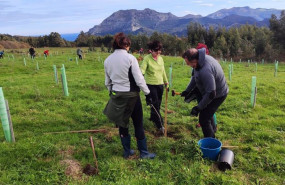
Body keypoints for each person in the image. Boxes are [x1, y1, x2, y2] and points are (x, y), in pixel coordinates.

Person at [103, 32, 156, 159]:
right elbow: (139, 79)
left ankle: (127, 152)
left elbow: (107, 82)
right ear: (126, 46)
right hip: (132, 96)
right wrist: (148, 93)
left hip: (117, 95)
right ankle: (143, 153)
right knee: (138, 123)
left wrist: (112, 92)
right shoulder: (130, 58)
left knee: (122, 123)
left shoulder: (107, 60)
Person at [181, 48, 228, 138]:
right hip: (210, 91)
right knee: (207, 113)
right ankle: (213, 129)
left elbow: (211, 94)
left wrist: (198, 108)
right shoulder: (199, 62)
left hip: (218, 95)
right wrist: (187, 90)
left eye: (188, 63)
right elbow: (195, 77)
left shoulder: (206, 69)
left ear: (194, 60)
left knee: (204, 118)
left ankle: (210, 143)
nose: (187, 65)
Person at [140, 41, 168, 134]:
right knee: (155, 104)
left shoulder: (161, 59)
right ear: (150, 50)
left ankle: (153, 117)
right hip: (150, 85)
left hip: (160, 85)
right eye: (156, 50)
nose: (158, 52)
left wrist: (166, 81)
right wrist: (140, 76)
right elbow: (142, 70)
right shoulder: (147, 59)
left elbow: (163, 71)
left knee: (158, 104)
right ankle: (160, 125)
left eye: (159, 50)